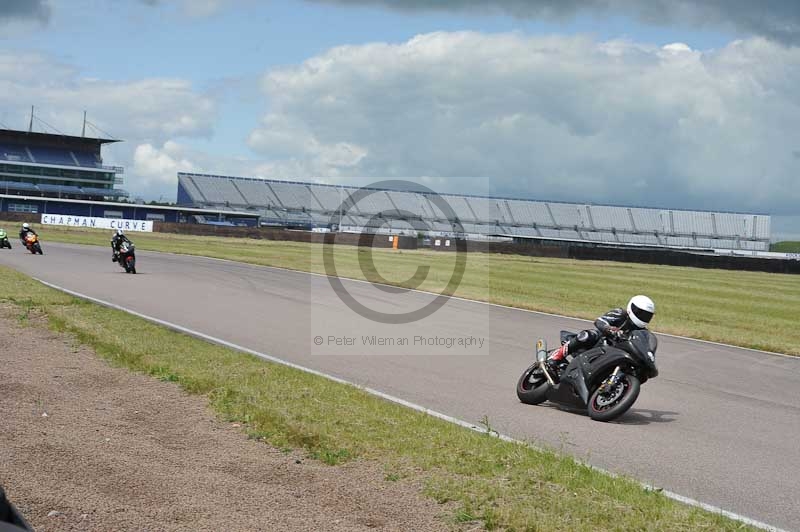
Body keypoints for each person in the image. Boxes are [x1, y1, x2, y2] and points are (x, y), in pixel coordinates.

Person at [546, 295, 656, 371]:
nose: (643, 317)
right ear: (632, 308)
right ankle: (556, 356)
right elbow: (600, 321)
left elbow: (644, 346)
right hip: (599, 343)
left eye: (647, 315)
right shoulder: (620, 313)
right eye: (640, 313)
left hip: (615, 354)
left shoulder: (643, 332)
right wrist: (609, 329)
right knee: (589, 335)